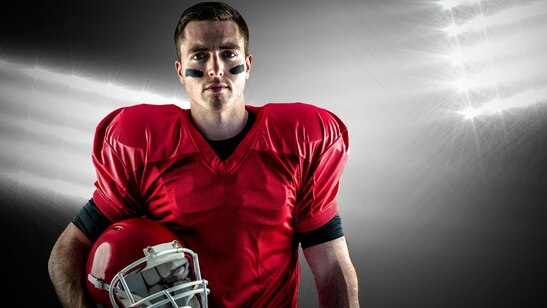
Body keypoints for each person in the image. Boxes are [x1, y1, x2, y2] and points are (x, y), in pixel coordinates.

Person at [48, 2, 359, 307]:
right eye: (200, 55)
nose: (215, 69)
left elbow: (331, 264)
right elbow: (68, 249)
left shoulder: (300, 141)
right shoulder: (141, 144)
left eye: (228, 54)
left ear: (247, 65)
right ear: (180, 71)